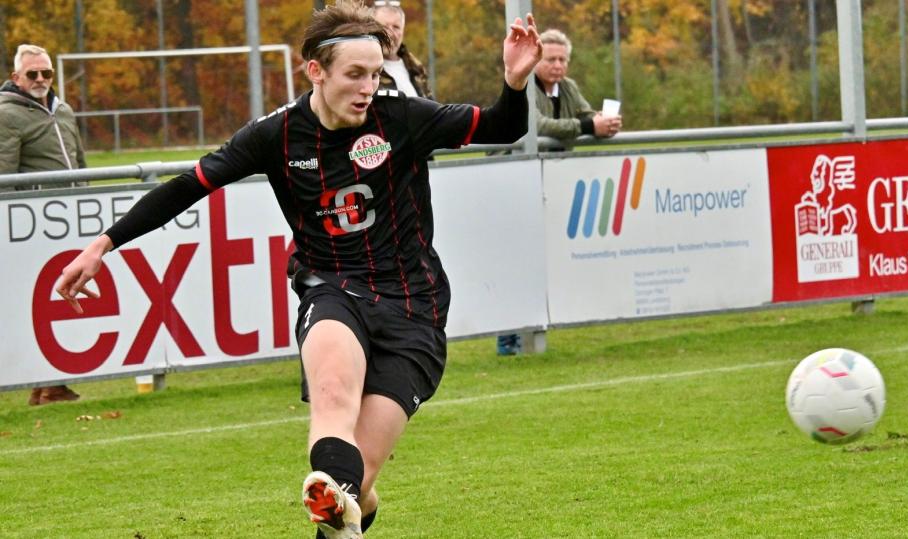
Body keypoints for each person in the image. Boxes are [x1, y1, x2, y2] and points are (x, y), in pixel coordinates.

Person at [54, 2, 541, 537]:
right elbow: (187, 188)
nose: (367, 86)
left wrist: (515, 83)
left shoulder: (401, 115)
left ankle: (347, 503)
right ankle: (338, 498)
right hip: (333, 290)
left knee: (355, 485)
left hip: (413, 308)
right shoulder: (276, 135)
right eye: (355, 74)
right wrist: (103, 244)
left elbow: (502, 127)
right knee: (332, 402)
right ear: (316, 71)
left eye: (375, 73)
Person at [496, 28, 621, 356]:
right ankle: (508, 335)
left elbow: (583, 114)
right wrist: (586, 128)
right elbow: (536, 126)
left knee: (545, 257)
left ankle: (540, 322)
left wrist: (602, 122)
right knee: (516, 257)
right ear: (537, 61)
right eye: (550, 59)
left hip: (551, 182)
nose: (557, 65)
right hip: (514, 179)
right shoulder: (522, 86)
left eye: (563, 59)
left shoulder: (568, 87)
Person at [0, 43, 86, 405]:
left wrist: (85, 194)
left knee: (61, 296)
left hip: (69, 216)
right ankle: (48, 382)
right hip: (34, 222)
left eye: (45, 73)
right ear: (16, 77)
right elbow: (4, 171)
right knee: (42, 299)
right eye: (32, 74)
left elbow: (80, 161)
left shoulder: (63, 109)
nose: (40, 79)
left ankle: (48, 384)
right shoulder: (6, 114)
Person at [369, 0, 430, 98]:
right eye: (383, 27)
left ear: (403, 31)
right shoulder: (366, 70)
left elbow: (433, 108)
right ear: (371, 30)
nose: (390, 34)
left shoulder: (416, 68)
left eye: (396, 27)